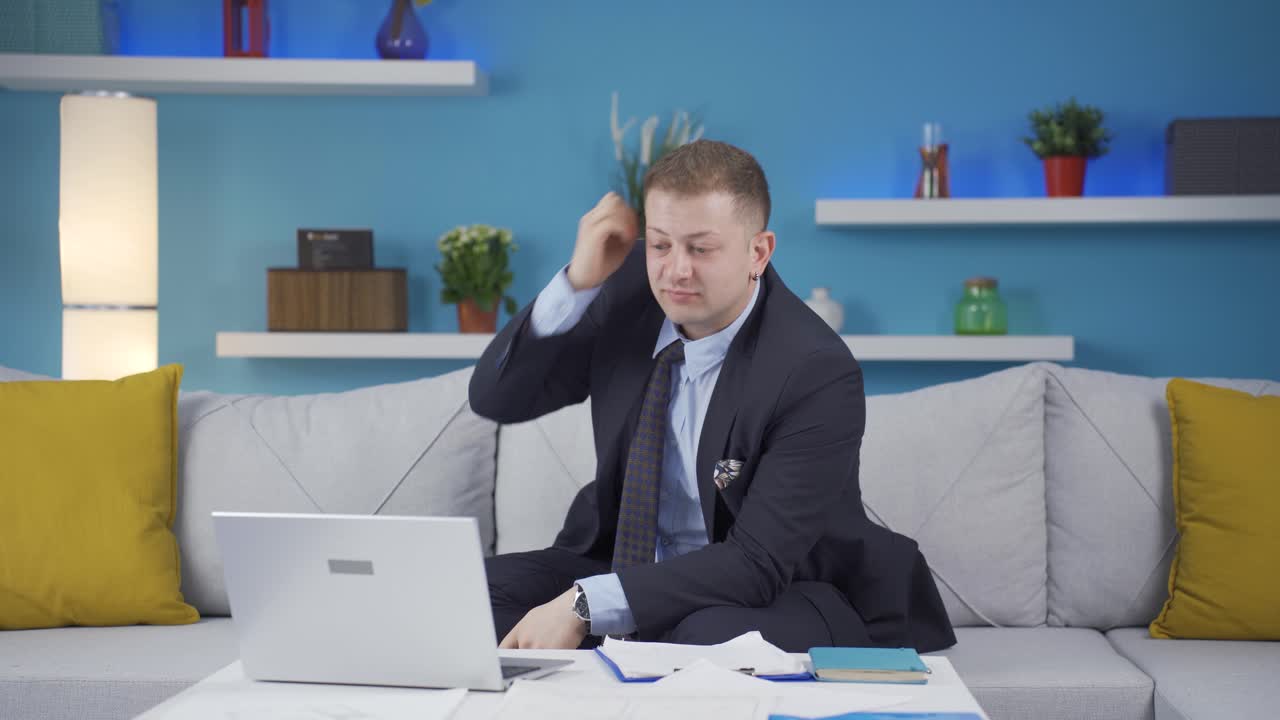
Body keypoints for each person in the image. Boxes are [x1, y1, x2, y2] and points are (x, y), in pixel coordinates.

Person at [469, 139, 955, 653]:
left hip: (780, 587)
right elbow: (497, 398)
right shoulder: (628, 296)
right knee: (467, 596)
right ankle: (617, 649)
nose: (676, 270)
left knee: (705, 640)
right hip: (620, 561)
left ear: (758, 252)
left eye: (701, 248)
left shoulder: (814, 369)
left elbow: (757, 563)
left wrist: (583, 606)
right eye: (660, 245)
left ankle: (619, 642)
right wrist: (578, 281)